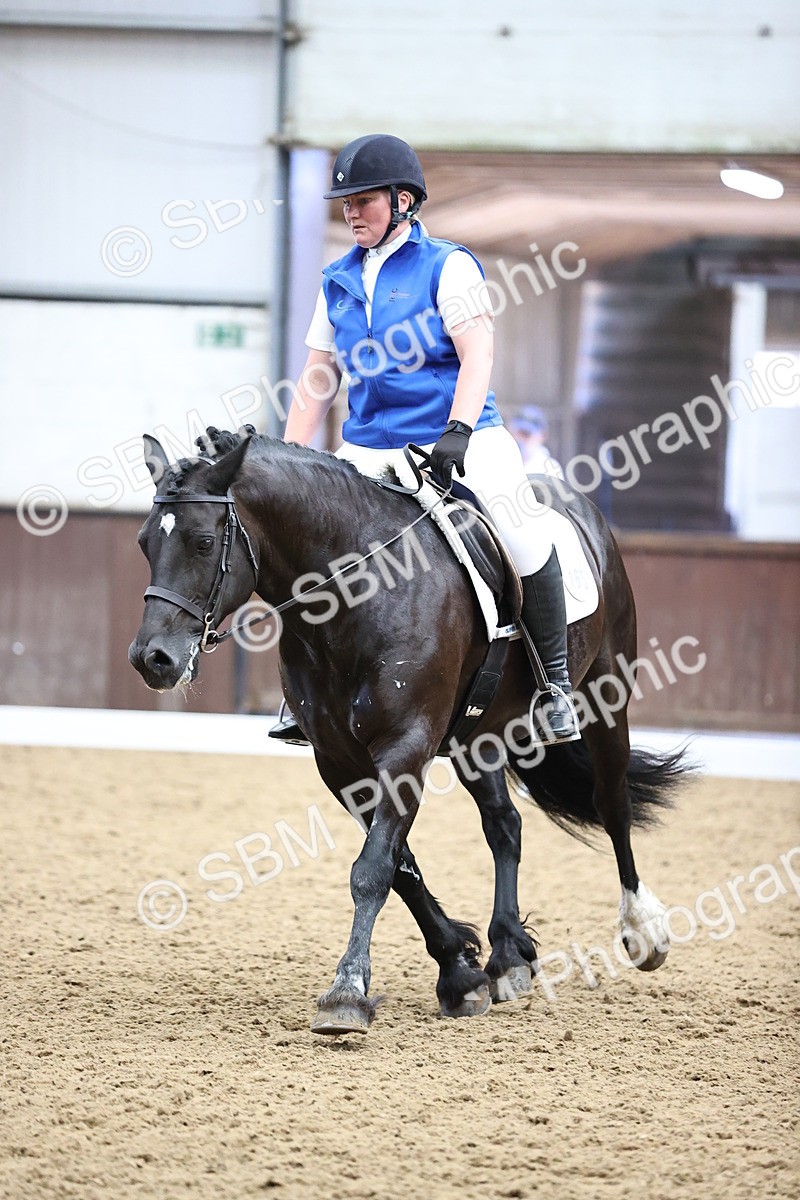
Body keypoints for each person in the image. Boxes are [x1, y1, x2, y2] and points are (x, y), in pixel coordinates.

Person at [270, 134, 578, 743]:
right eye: (345, 201)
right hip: (368, 446)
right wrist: (291, 460)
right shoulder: (336, 280)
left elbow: (477, 352)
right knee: (306, 553)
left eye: (363, 200)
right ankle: (305, 692)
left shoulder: (448, 265)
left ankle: (556, 685)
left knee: (523, 534)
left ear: (403, 200)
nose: (350, 211)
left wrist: (458, 431)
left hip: (458, 436)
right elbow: (316, 379)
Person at [509, 405, 565, 479]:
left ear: (543, 436)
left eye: (526, 434)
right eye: (519, 433)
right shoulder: (505, 461)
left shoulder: (550, 467)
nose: (521, 439)